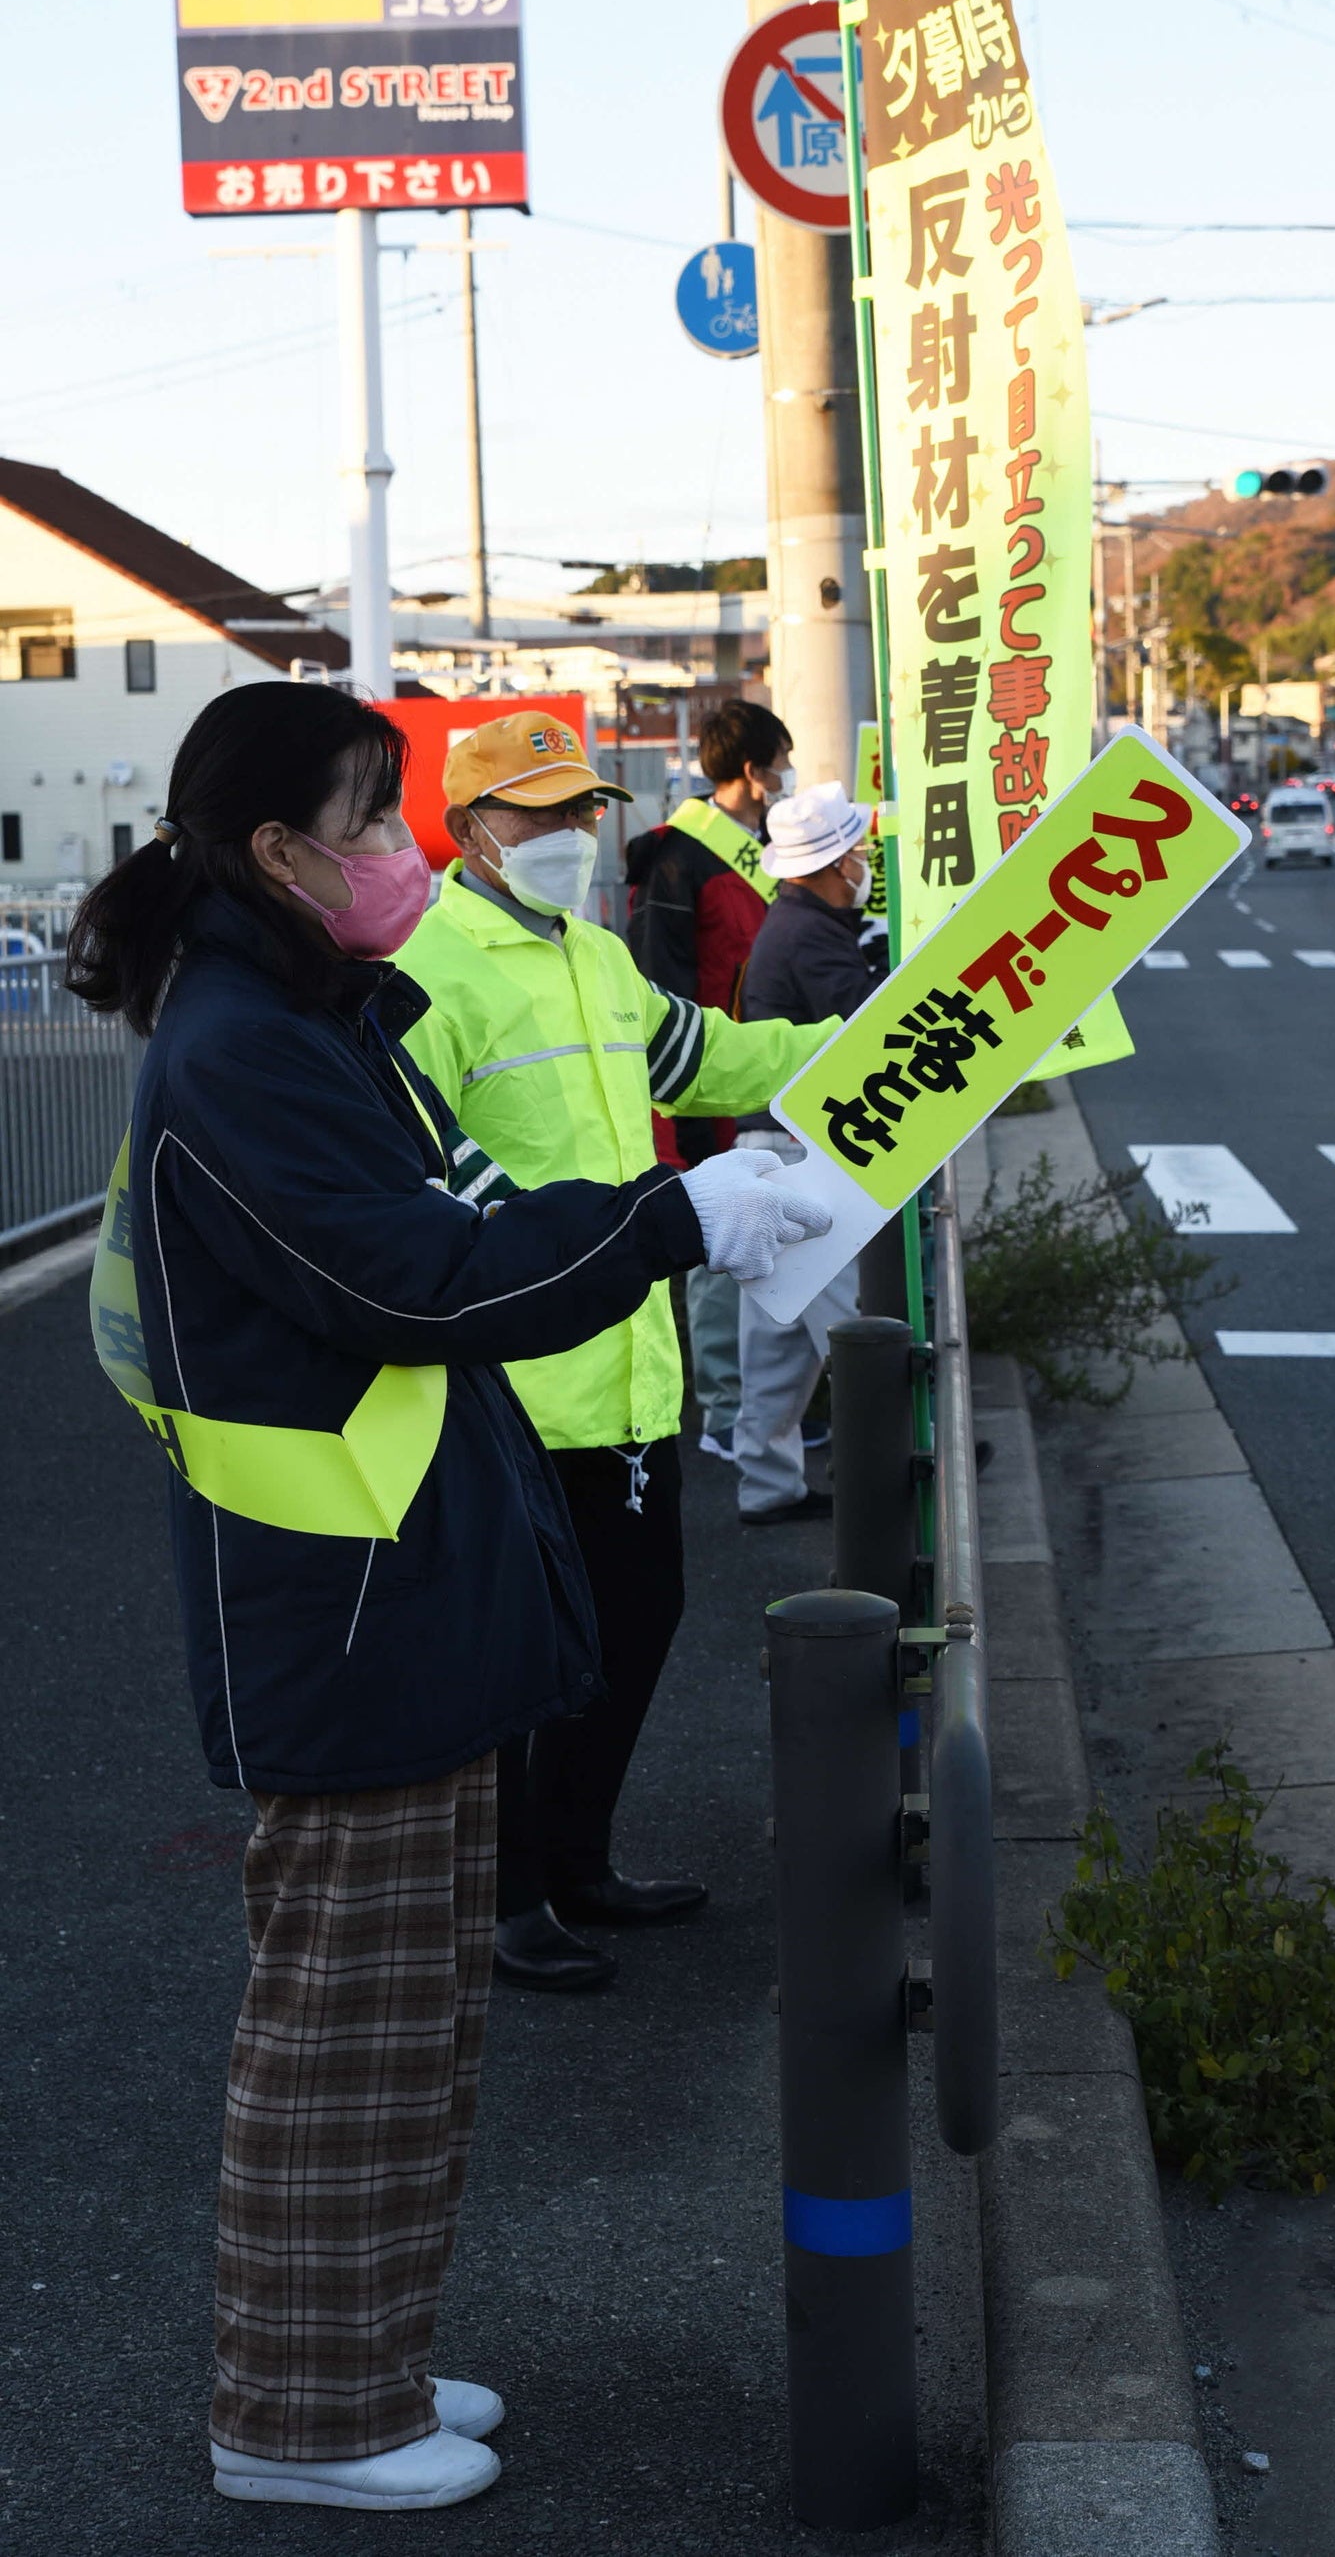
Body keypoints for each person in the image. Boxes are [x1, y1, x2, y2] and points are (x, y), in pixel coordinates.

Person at [67, 682, 827, 2513]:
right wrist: (676, 1224)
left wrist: (683, 1201)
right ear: (281, 852)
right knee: (349, 2031)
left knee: (409, 2028)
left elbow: (472, 1218)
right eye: (379, 819)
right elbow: (420, 1282)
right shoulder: (244, 1045)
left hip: (393, 1592)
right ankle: (303, 2420)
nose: (405, 853)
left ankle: (366, 2365)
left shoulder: (309, 1012)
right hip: (339, 1613)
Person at [395, 710, 839, 1992]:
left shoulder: (594, 955)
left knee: (637, 1626)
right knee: (526, 1660)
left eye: (581, 809)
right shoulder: (429, 962)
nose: (569, 834)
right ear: (472, 830)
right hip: (516, 1384)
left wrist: (865, 1040)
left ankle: (580, 1860)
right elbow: (425, 1166)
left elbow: (704, 1057)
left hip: (634, 1366)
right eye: (536, 813)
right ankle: (510, 1895)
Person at [626, 701, 791, 1461]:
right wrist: (679, 1096)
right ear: (752, 773)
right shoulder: (675, 856)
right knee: (719, 1245)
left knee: (770, 1239)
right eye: (779, 765)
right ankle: (725, 1409)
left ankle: (765, 1405)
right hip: (699, 1080)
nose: (784, 779)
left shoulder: (761, 852)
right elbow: (664, 981)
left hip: (756, 1069)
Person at [733, 781, 885, 1526]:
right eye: (855, 852)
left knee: (775, 1337)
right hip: (804, 1158)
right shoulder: (814, 936)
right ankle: (894, 1461)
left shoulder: (791, 925)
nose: (862, 864)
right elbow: (863, 1030)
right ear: (830, 864)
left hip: (767, 1150)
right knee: (853, 1327)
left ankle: (767, 1487)